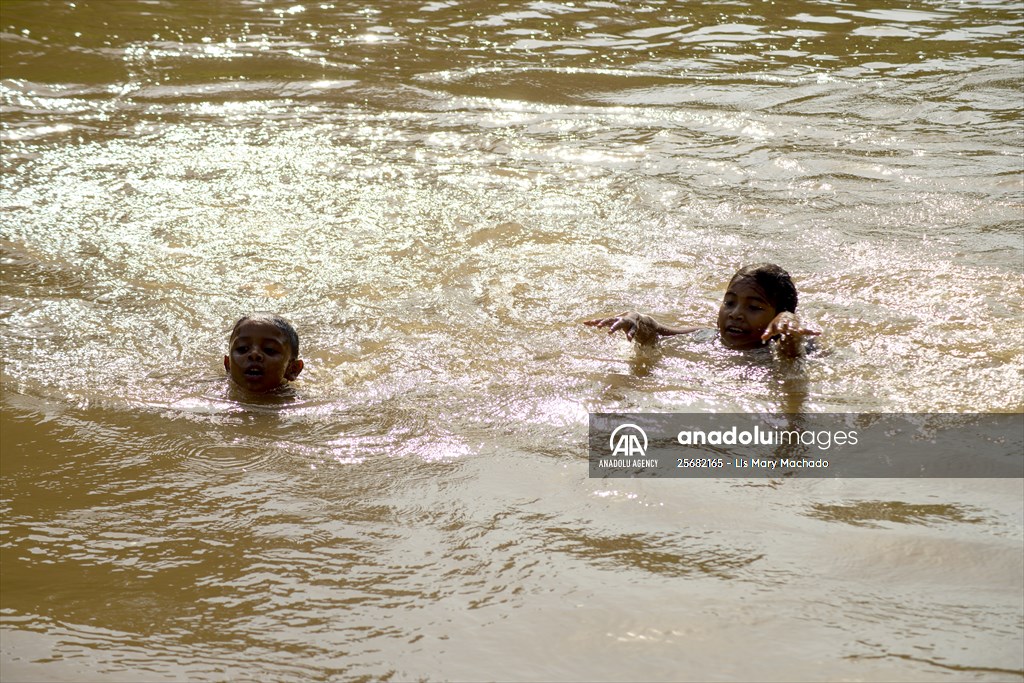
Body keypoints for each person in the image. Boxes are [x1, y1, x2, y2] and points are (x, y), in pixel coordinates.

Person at [584, 263, 819, 358]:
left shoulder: (777, 351)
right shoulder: (708, 338)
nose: (735, 313)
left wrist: (789, 327)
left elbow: (792, 363)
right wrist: (636, 319)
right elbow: (656, 333)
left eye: (754, 307)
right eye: (729, 302)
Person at [224, 313, 304, 393]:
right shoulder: (214, 393)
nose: (254, 354)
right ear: (228, 364)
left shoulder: (298, 402)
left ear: (293, 369)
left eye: (269, 350)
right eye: (243, 349)